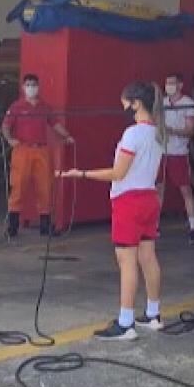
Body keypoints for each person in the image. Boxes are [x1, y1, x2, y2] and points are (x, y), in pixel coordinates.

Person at [58, 81, 165, 340]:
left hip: (129, 201)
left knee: (126, 261)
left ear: (136, 103)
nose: (123, 107)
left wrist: (80, 174)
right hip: (149, 198)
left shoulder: (133, 134)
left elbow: (118, 173)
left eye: (125, 103)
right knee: (148, 257)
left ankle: (125, 322)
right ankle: (153, 314)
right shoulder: (160, 133)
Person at [1, 74, 74, 238]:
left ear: (38, 86)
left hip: (41, 150)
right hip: (22, 150)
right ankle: (12, 227)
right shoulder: (17, 106)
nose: (31, 88)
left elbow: (54, 124)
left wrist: (67, 136)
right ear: (23, 87)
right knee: (18, 186)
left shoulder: (44, 107)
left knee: (45, 187)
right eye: (28, 85)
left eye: (34, 85)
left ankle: (45, 226)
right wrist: (10, 139)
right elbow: (5, 126)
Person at [158, 73, 194, 243]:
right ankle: (154, 226)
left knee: (185, 190)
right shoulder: (162, 103)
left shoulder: (188, 104)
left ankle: (193, 227)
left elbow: (190, 130)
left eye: (172, 83)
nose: (169, 85)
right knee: (158, 190)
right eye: (167, 82)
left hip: (179, 153)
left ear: (180, 85)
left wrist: (171, 131)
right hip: (161, 153)